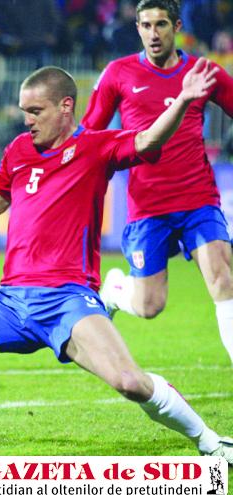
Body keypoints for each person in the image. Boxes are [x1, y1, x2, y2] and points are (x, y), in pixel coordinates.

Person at [0, 63, 233, 463]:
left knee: (130, 382)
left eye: (35, 111)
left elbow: (146, 140)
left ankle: (210, 442)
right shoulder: (19, 150)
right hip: (11, 304)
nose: (27, 120)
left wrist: (182, 100)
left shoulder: (97, 147)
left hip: (67, 301)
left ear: (65, 106)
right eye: (24, 111)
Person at [80, 0, 233, 363]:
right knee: (149, 305)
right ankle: (115, 290)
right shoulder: (118, 73)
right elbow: (89, 133)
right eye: (146, 25)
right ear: (137, 28)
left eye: (161, 24)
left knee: (223, 279)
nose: (153, 33)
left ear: (176, 27)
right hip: (148, 205)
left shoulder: (202, 72)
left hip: (198, 198)